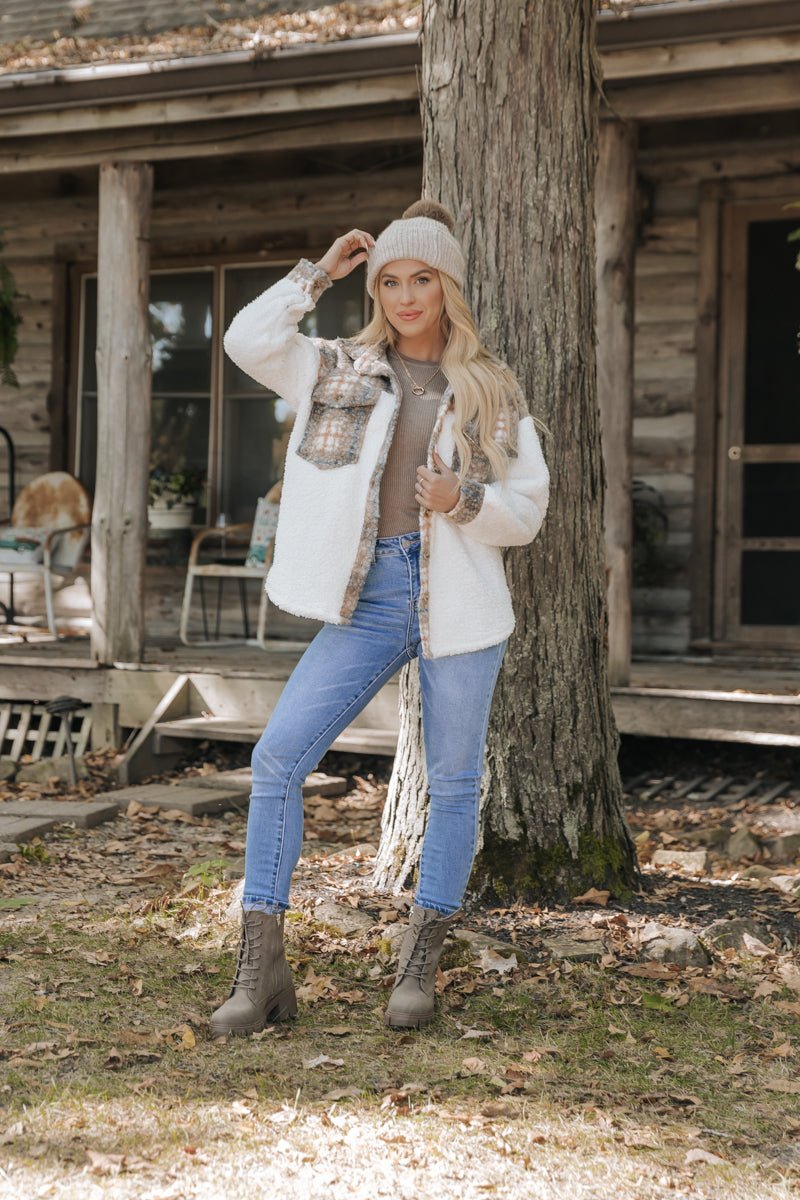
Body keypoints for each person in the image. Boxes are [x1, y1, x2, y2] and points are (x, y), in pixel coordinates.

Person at [210, 199, 549, 1037]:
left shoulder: (491, 389)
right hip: (365, 601)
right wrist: (318, 275)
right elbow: (245, 341)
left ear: (447, 288)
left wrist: (463, 499)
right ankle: (261, 970)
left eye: (420, 280)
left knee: (455, 783)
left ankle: (419, 967)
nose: (403, 297)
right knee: (278, 758)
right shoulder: (334, 366)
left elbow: (528, 510)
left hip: (458, 602)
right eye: (389, 281)